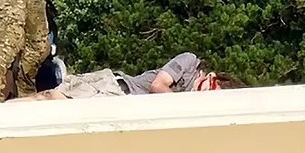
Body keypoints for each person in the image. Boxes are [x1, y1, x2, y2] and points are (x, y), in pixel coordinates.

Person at [16, 52, 245, 101]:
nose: (205, 93)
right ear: (212, 76)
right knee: (49, 100)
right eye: (211, 87)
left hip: (118, 103)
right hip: (114, 89)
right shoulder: (190, 62)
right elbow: (158, 85)